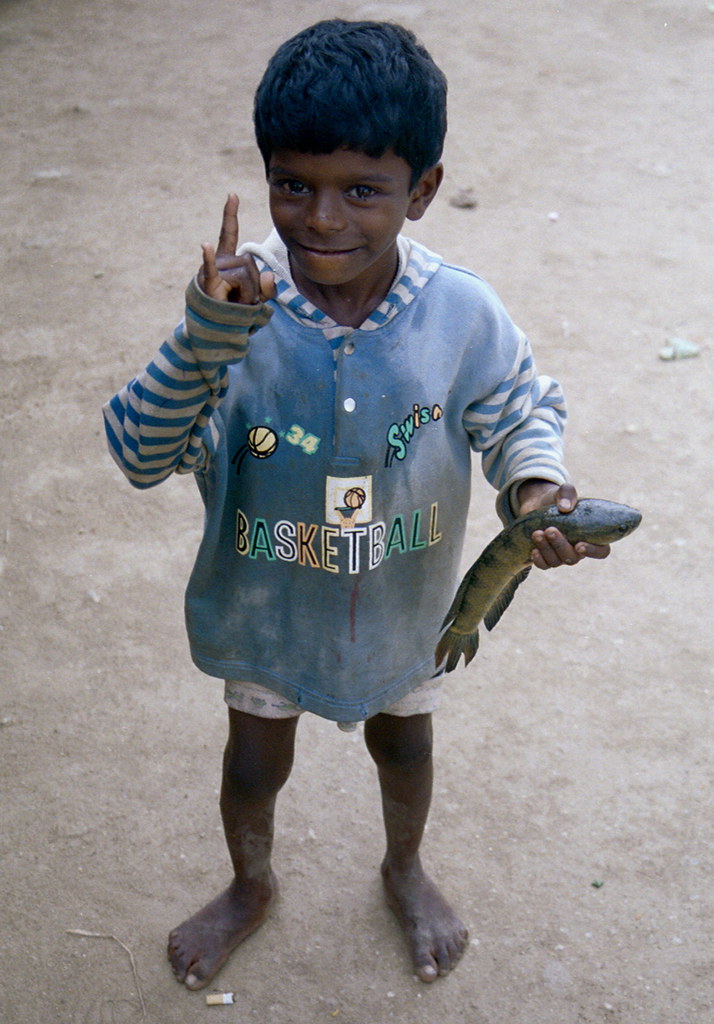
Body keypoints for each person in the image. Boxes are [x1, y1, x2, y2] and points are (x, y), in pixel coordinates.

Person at [103, 19, 610, 989]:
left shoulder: (461, 311)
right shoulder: (234, 309)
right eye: (294, 183)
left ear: (422, 189)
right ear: (265, 174)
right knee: (253, 763)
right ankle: (250, 883)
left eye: (362, 190)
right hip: (268, 608)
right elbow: (138, 450)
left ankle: (404, 865)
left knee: (403, 741)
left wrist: (538, 485)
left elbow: (517, 407)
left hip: (403, 605)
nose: (321, 219)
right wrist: (203, 340)